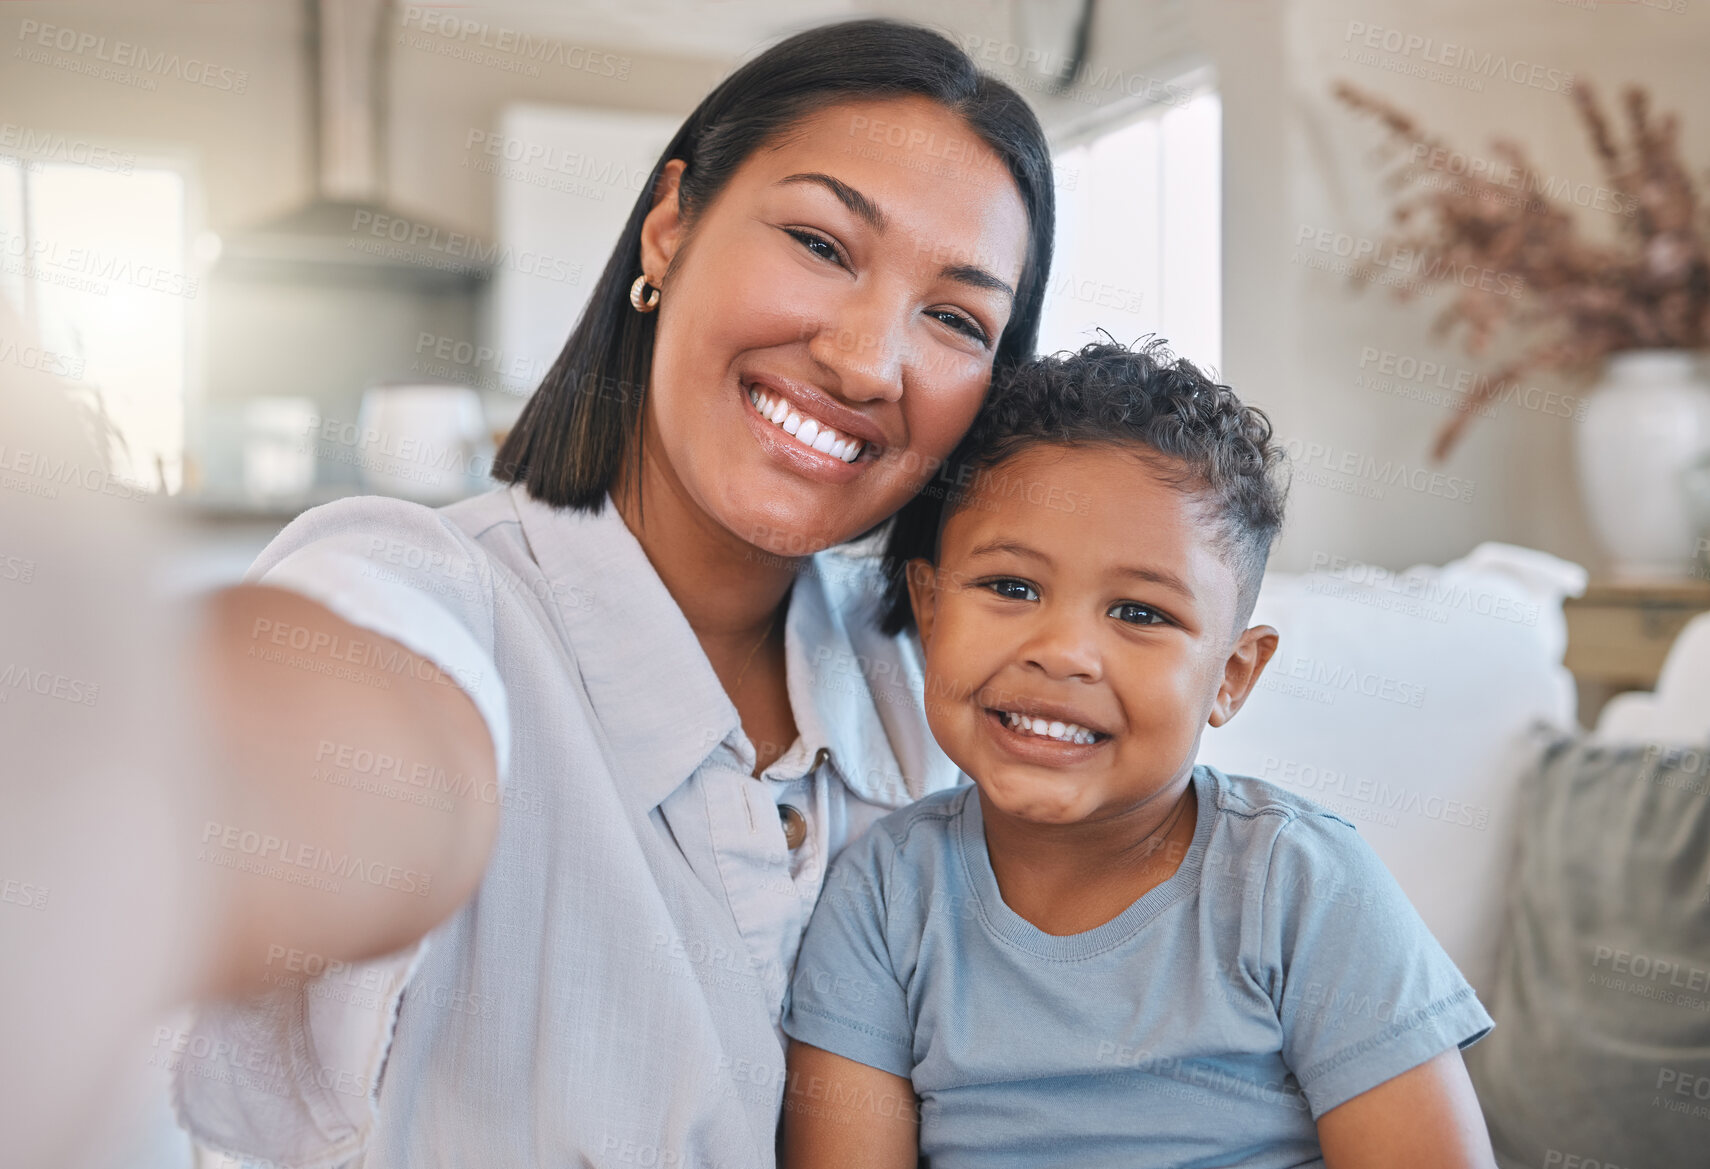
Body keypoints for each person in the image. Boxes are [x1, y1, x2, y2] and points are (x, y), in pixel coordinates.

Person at [160, 19, 1055, 1169]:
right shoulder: (434, 587)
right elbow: (333, 739)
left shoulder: (931, 697)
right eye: (823, 243)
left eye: (955, 318)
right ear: (672, 223)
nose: (867, 361)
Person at [781, 340, 1501, 1168]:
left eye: (1140, 612)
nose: (1065, 652)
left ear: (1232, 676)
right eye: (1013, 588)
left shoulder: (1300, 882)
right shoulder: (882, 897)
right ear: (931, 611)